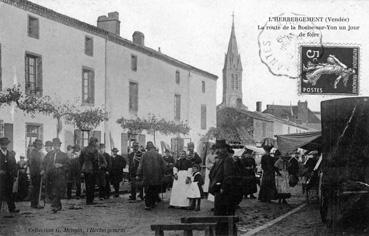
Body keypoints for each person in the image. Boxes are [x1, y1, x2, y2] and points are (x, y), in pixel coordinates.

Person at [209, 140, 239, 236]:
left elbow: (229, 177)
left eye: (220, 148)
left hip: (226, 195)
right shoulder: (219, 160)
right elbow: (212, 174)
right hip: (219, 194)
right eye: (217, 148)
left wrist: (222, 188)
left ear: (225, 149)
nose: (218, 150)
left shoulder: (228, 160)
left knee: (226, 219)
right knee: (219, 219)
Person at [43, 138, 70, 213]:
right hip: (51, 176)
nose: (56, 147)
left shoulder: (64, 155)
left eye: (57, 145)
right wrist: (43, 170)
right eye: (54, 145)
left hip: (60, 176)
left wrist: (61, 165)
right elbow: (44, 163)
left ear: (60, 146)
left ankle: (55, 206)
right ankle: (58, 205)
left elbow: (68, 165)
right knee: (52, 191)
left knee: (57, 191)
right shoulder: (49, 154)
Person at [137, 141, 165, 210]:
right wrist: (162, 174)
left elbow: (140, 166)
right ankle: (152, 203)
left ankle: (148, 205)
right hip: (156, 177)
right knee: (154, 190)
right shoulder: (159, 155)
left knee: (148, 191)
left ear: (148, 148)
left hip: (147, 176)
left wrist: (138, 174)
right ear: (153, 148)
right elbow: (164, 166)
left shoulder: (144, 155)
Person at [0, 137, 19, 213]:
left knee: (9, 193)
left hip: (9, 177)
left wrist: (14, 176)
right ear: (0, 145)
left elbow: (14, 166)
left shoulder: (11, 154)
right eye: (3, 145)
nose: (4, 146)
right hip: (0, 178)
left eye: (6, 144)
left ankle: (12, 208)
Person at [79, 137, 99, 205]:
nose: (96, 143)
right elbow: (95, 161)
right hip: (92, 169)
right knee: (92, 185)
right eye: (95, 142)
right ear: (93, 142)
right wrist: (96, 170)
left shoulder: (84, 149)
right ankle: (91, 200)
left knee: (87, 185)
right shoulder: (95, 150)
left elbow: (80, 160)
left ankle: (88, 200)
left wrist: (82, 168)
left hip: (85, 169)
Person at [28, 139, 44, 209]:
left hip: (37, 173)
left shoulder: (38, 152)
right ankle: (35, 204)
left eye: (40, 145)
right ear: (35, 145)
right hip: (35, 174)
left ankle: (35, 203)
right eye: (38, 145)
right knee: (35, 189)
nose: (40, 146)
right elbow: (32, 164)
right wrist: (39, 172)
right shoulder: (34, 153)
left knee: (36, 189)